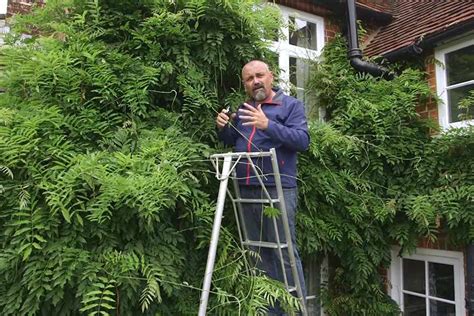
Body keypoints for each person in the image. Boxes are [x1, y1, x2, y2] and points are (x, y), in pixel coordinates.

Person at [216, 60, 310, 315]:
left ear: (270, 76)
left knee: (285, 254)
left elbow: (302, 141)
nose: (255, 81)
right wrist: (224, 127)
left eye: (259, 76)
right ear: (245, 84)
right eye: (249, 78)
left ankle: (296, 311)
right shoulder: (244, 108)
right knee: (256, 253)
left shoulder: (291, 105)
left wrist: (268, 124)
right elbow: (234, 140)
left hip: (278, 187)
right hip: (245, 188)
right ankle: (268, 311)